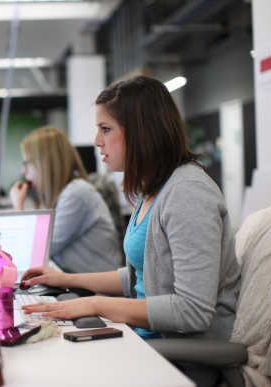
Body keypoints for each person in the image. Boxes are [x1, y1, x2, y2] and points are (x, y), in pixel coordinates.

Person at [22, 76, 240, 347]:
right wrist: (66, 279)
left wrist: (97, 304)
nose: (97, 141)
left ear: (140, 132)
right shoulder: (152, 189)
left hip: (180, 350)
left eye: (105, 129)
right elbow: (140, 275)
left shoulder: (188, 192)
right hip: (146, 335)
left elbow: (192, 311)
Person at [10, 126, 120, 274]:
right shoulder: (59, 195)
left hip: (96, 291)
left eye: (27, 163)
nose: (24, 171)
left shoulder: (76, 194)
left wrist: (18, 207)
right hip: (77, 284)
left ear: (44, 163)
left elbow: (39, 251)